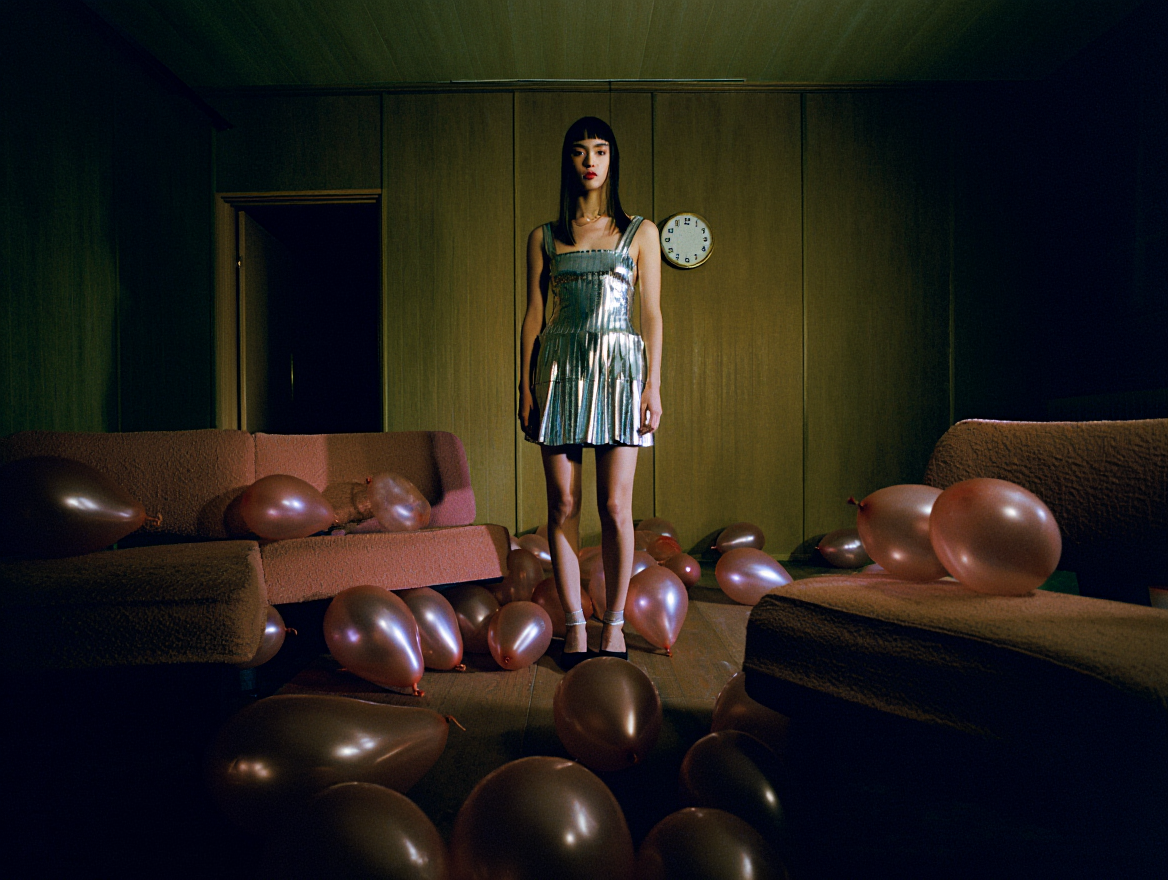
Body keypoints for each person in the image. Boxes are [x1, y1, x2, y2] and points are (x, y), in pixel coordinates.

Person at [518, 116, 663, 667]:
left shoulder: (640, 232)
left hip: (621, 370)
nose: (589, 161)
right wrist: (527, 386)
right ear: (568, 162)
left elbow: (652, 315)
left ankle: (616, 624)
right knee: (563, 504)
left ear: (611, 160)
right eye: (579, 151)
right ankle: (576, 624)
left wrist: (653, 384)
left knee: (614, 506)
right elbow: (534, 316)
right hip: (559, 369)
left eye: (599, 150)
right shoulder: (544, 236)